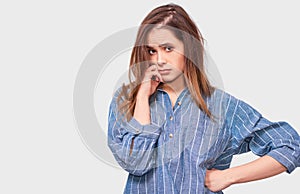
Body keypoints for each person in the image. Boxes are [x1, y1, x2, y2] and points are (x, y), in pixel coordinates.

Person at [107, 3, 300, 194]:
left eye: (168, 48)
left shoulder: (221, 105)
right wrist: (142, 98)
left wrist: (228, 177)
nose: (159, 60)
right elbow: (136, 163)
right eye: (152, 51)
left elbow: (290, 144)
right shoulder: (125, 101)